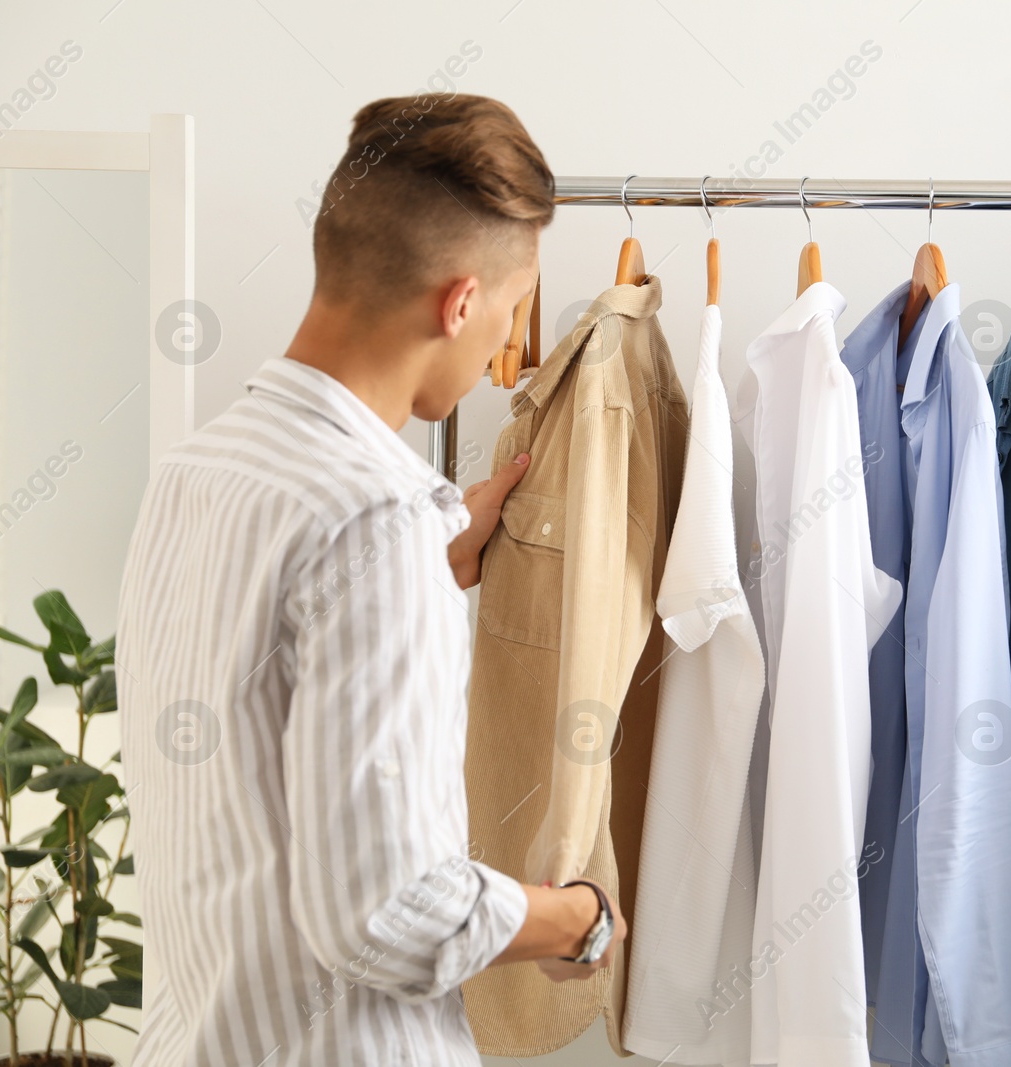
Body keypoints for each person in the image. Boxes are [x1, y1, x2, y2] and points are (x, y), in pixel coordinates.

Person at [115, 94, 623, 1066]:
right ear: (460, 301)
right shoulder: (379, 523)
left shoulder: (198, 472)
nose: (495, 359)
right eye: (511, 314)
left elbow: (253, 728)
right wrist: (572, 917)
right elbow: (388, 908)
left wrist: (430, 567)